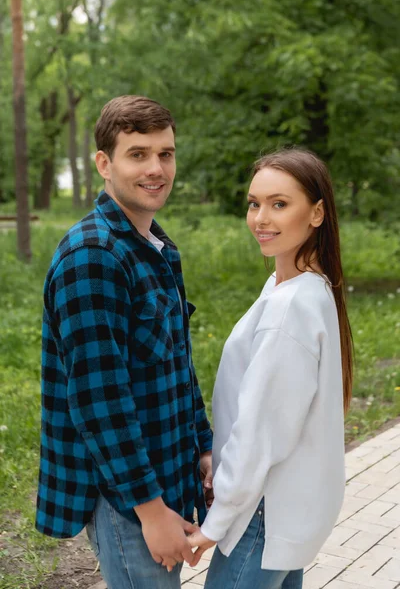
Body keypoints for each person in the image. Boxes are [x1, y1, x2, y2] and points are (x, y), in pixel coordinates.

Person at [35, 95, 213, 589]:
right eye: (138, 154)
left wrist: (203, 447)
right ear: (104, 164)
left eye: (166, 153)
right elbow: (99, 401)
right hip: (127, 499)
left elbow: (176, 360)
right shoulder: (93, 257)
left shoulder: (154, 247)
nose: (157, 168)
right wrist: (152, 512)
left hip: (167, 474)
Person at [188, 148, 353, 589]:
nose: (261, 217)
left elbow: (261, 432)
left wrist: (214, 524)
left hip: (263, 511)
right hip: (283, 507)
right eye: (254, 203)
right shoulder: (297, 287)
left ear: (317, 213)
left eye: (279, 204)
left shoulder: (292, 307)